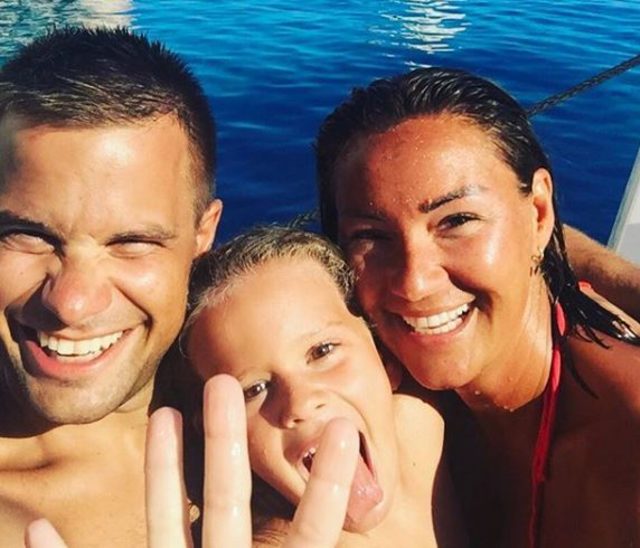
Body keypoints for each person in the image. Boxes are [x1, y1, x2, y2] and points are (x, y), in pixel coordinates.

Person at [314, 66, 640, 547]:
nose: (414, 283)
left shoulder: (624, 450)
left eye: (457, 221)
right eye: (371, 236)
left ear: (539, 215)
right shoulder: (368, 387)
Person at [0, 26, 222, 546]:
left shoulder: (294, 396)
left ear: (203, 233)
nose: (72, 305)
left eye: (132, 243)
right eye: (29, 235)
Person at [183, 225, 465, 546]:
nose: (300, 403)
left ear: (385, 359)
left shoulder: (433, 418)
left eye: (322, 351)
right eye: (255, 389)